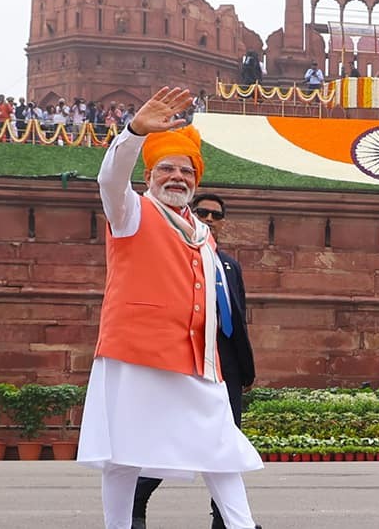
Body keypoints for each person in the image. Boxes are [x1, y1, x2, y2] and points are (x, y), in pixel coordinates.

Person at [77, 87, 263, 529]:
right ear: (150, 176)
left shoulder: (203, 234)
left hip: (198, 362)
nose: (177, 177)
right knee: (124, 456)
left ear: (196, 180)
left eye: (186, 170)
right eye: (166, 169)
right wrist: (135, 131)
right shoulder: (132, 213)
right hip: (137, 354)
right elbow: (109, 180)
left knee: (222, 450)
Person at [134, 191, 257, 529]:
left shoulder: (229, 264)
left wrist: (245, 369)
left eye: (217, 215)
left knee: (226, 441)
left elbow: (237, 317)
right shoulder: (176, 257)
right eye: (203, 211)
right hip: (188, 357)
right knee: (174, 435)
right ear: (190, 212)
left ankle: (226, 520)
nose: (210, 219)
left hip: (226, 364)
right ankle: (136, 501)